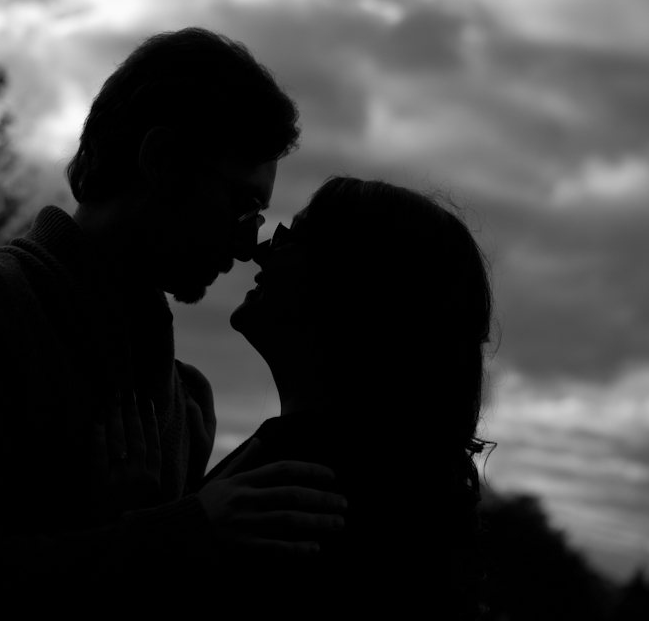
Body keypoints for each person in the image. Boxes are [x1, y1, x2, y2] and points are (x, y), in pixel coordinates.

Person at [0, 27, 348, 620]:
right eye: (242, 204)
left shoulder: (187, 405)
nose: (247, 241)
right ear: (160, 159)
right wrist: (176, 534)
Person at [198, 176, 495, 619]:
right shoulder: (380, 484)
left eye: (291, 237)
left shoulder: (304, 495)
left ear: (350, 286)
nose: (260, 249)